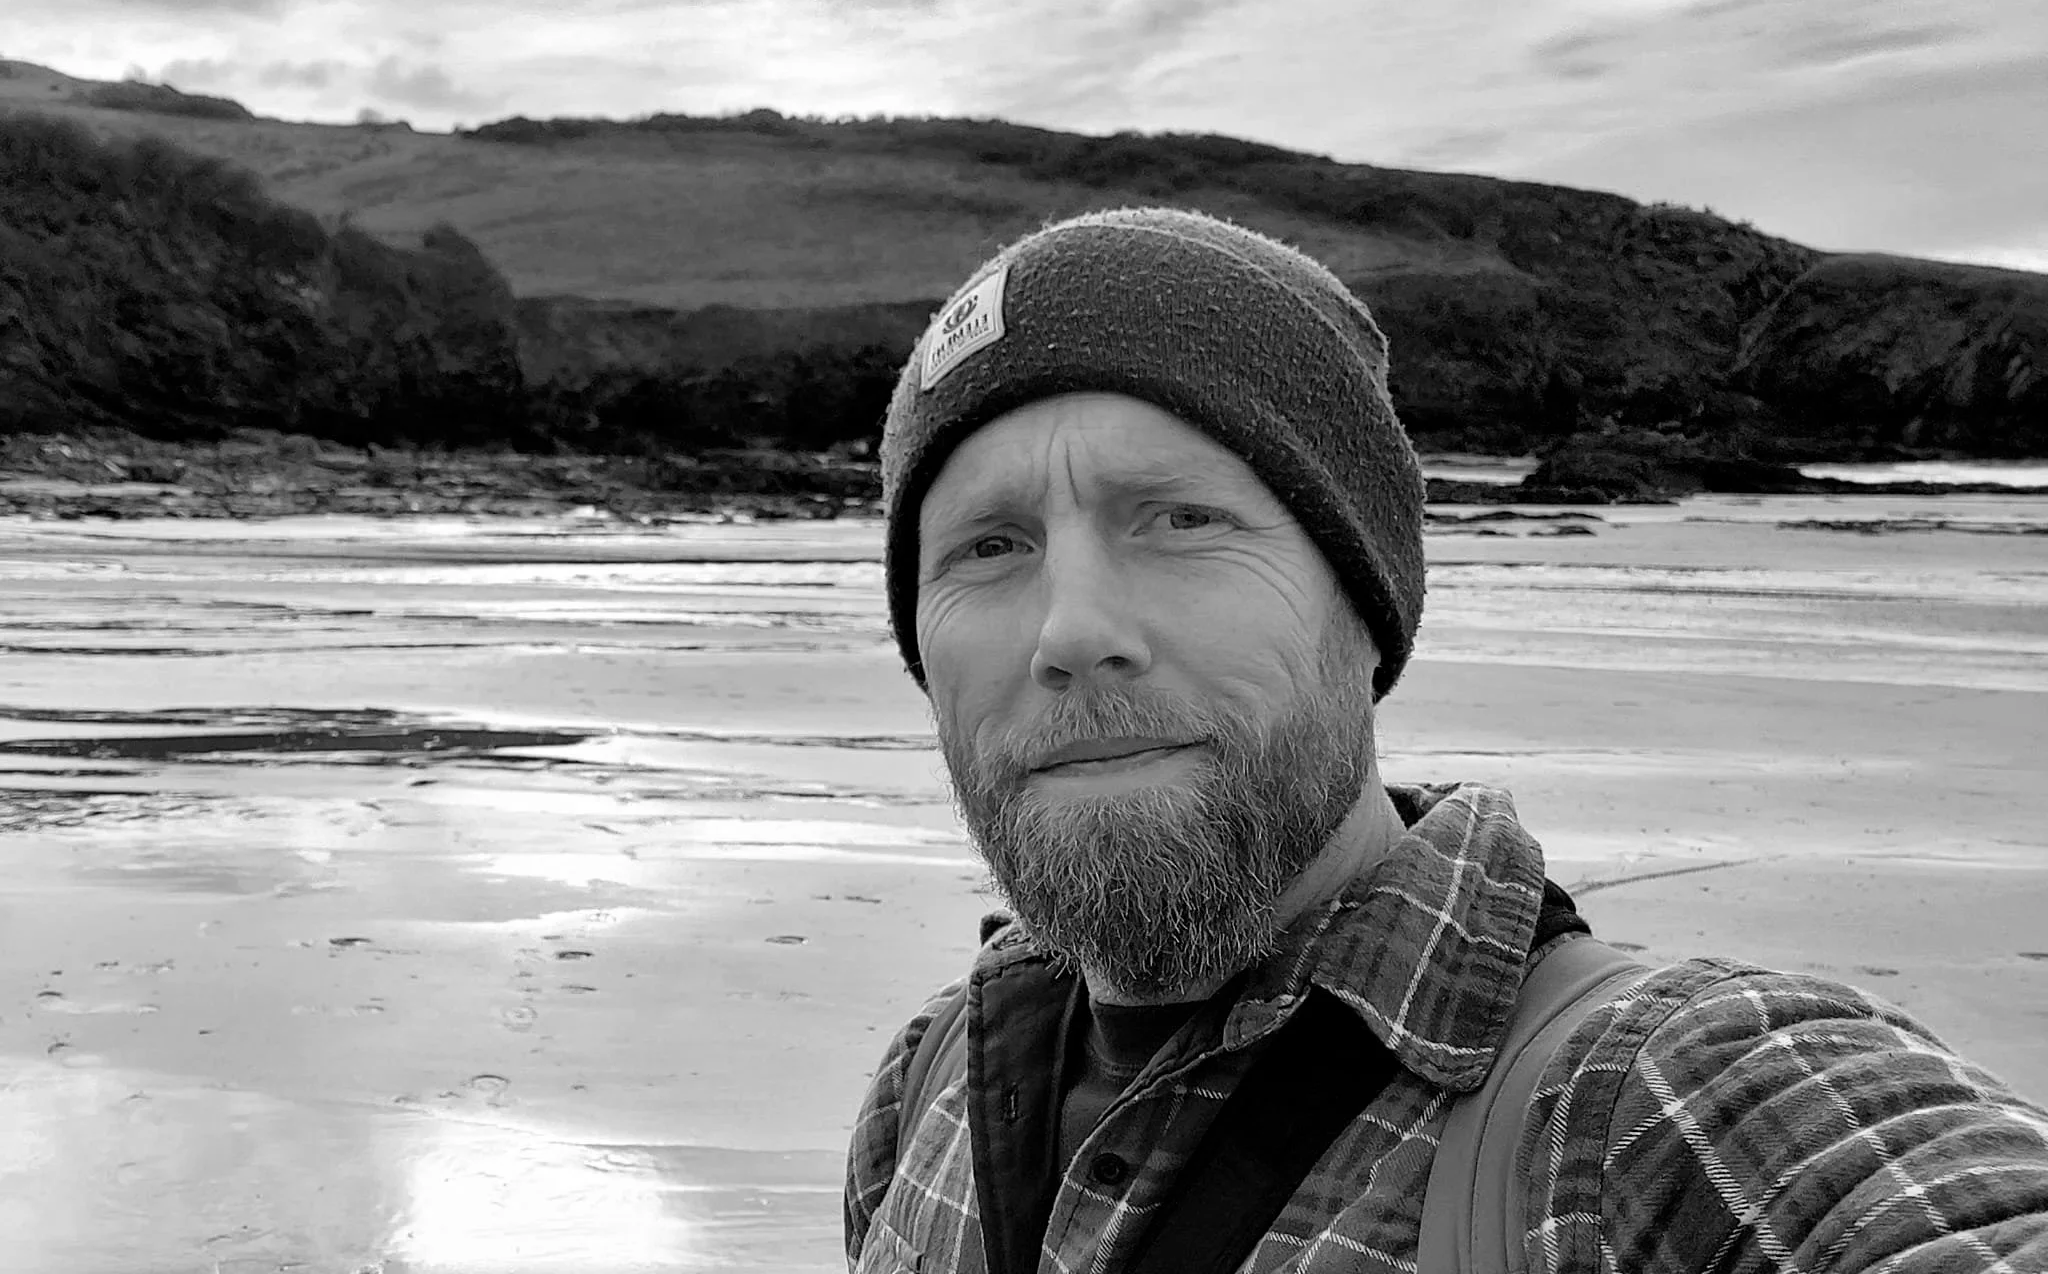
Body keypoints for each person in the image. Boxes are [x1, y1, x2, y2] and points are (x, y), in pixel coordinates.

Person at [841, 207, 2048, 1274]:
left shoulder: (1655, 1106)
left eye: (1179, 518)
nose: (1072, 628)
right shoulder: (924, 1091)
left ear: (1364, 608)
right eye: (988, 546)